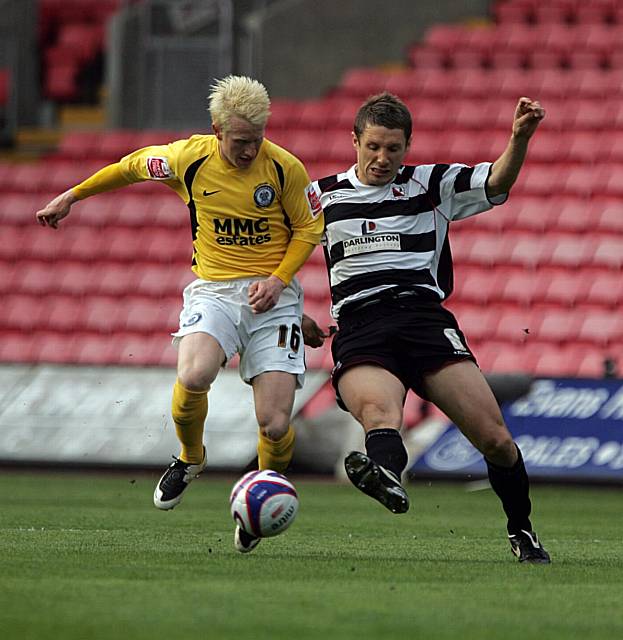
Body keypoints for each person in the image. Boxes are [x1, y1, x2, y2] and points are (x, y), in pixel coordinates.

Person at [36, 75, 325, 554]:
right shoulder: (187, 159)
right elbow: (129, 167)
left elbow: (309, 229)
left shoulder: (285, 169)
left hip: (275, 298)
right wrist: (73, 195)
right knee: (194, 374)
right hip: (213, 290)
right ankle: (191, 458)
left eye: (256, 140)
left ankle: (258, 501)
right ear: (216, 129)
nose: (250, 151)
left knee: (274, 424)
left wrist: (277, 281)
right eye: (239, 141)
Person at [310, 92, 550, 563]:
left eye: (393, 149)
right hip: (361, 326)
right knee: (380, 413)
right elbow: (278, 254)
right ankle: (388, 478)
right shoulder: (319, 197)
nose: (382, 158)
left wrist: (518, 138)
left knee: (497, 441)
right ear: (354, 140)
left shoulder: (431, 184)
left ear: (407, 146)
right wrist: (292, 308)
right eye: (373, 146)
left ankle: (521, 530)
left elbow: (497, 180)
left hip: (424, 320)